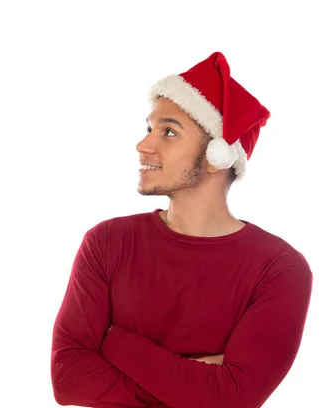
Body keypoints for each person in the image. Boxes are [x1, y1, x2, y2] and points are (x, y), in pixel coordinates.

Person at [50, 51, 313, 408]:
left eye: (169, 132)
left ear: (216, 156)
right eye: (149, 128)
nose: (143, 145)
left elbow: (233, 398)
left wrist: (113, 340)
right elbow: (68, 380)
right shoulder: (107, 243)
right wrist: (194, 383)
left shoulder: (279, 268)